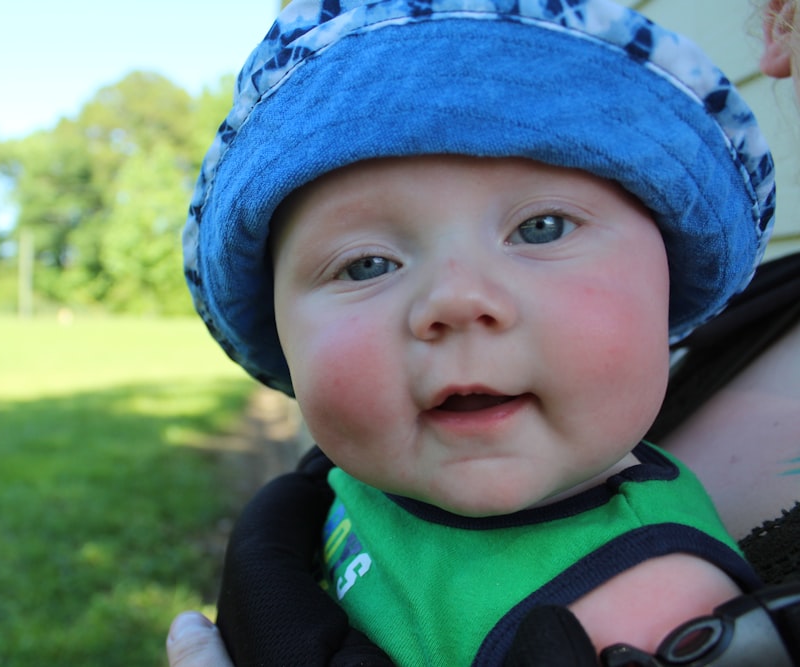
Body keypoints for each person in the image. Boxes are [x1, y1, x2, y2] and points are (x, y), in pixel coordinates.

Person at [168, 0, 794, 664]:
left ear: (669, 269)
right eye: (367, 264)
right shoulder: (353, 482)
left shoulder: (655, 609)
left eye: (541, 227)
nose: (458, 299)